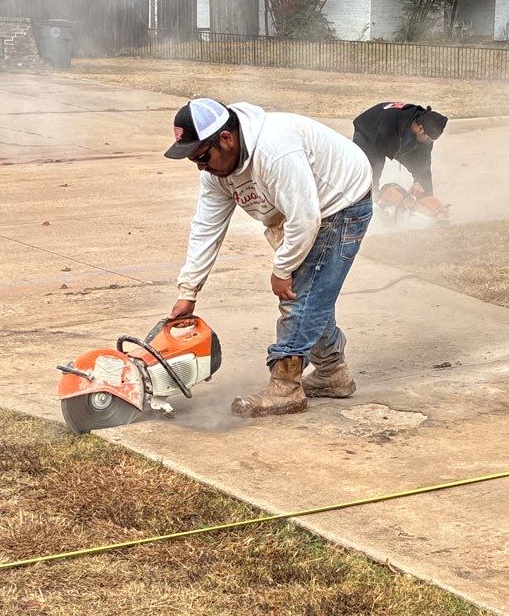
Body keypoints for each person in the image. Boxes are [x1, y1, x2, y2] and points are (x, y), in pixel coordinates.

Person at [166, 96, 374, 418]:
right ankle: (332, 373)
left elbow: (305, 218)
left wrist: (282, 269)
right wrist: (188, 292)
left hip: (342, 202)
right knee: (313, 295)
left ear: (226, 138)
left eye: (203, 156)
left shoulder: (274, 151)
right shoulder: (216, 173)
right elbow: (206, 228)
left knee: (299, 295)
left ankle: (285, 386)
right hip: (302, 211)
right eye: (194, 160)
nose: (201, 167)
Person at [351, 100, 449, 203]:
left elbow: (424, 165)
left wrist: (422, 186)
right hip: (368, 131)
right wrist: (373, 190)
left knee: (422, 174)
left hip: (394, 136)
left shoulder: (425, 135)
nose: (429, 142)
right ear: (420, 129)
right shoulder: (390, 122)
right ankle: (364, 202)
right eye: (429, 139)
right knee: (367, 171)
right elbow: (375, 155)